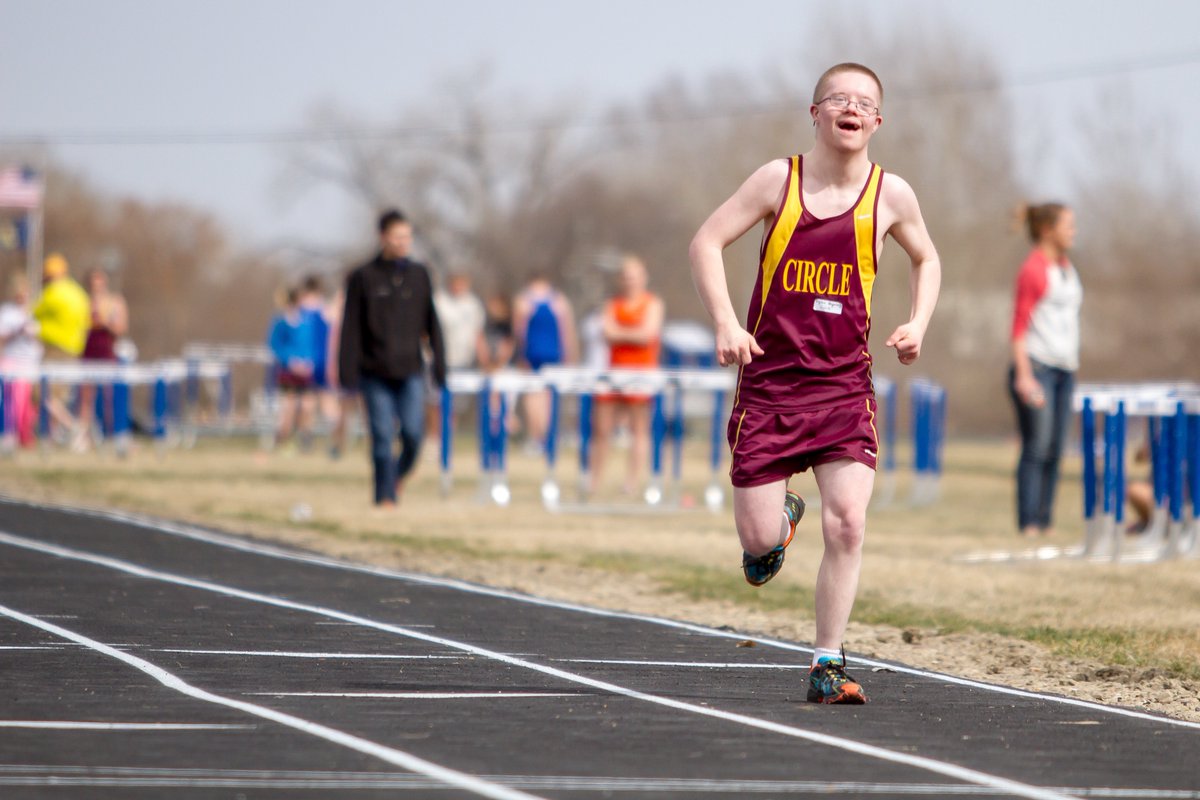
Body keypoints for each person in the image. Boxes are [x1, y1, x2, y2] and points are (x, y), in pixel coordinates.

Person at [688, 63, 940, 705]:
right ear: (816, 111)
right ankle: (779, 522)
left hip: (843, 390)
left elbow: (926, 257)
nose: (851, 109)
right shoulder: (780, 179)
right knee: (758, 547)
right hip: (769, 387)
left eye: (865, 103)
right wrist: (725, 324)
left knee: (849, 524)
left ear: (877, 121)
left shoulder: (892, 195)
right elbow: (706, 242)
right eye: (839, 100)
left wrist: (917, 321)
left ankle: (827, 663)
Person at [338, 209, 446, 506]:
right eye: (397, 236)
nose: (403, 242)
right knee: (382, 436)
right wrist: (346, 372)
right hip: (374, 371)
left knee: (413, 435)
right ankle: (384, 496)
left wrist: (440, 363)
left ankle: (396, 476)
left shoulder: (419, 274)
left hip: (410, 369)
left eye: (407, 237)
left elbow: (431, 322)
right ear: (383, 237)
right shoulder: (364, 277)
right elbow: (350, 327)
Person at [1007, 203, 1081, 538]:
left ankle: (1046, 521)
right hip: (1037, 369)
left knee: (1056, 448)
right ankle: (1029, 524)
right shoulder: (1033, 270)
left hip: (1065, 370)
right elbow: (1019, 327)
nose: (1073, 231)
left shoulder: (1066, 267)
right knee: (1037, 446)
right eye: (1068, 225)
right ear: (1048, 230)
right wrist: (1024, 376)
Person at [588, 255, 664, 496]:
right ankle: (594, 481)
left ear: (644, 277)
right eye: (626, 276)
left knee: (639, 430)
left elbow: (647, 334)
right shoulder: (613, 304)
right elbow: (606, 333)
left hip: (642, 374)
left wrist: (621, 332)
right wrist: (632, 333)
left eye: (635, 275)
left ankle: (631, 483)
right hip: (613, 373)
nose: (630, 281)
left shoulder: (652, 304)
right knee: (601, 429)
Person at [31, 253, 91, 442]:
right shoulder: (79, 293)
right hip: (74, 351)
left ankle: (72, 428)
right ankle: (55, 436)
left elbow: (33, 314)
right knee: (59, 397)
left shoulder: (52, 292)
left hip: (54, 350)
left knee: (41, 394)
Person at [513, 274, 576, 452]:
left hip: (533, 352)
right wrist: (568, 353)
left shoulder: (524, 300)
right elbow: (567, 330)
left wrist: (520, 354)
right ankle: (547, 435)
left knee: (533, 395)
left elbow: (519, 330)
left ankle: (537, 437)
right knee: (548, 396)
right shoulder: (558, 300)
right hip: (553, 352)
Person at [74, 268, 129, 451]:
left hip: (106, 351)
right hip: (88, 351)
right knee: (85, 397)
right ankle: (84, 437)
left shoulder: (115, 302)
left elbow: (121, 328)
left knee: (109, 395)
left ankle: (111, 434)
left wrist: (105, 321)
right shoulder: (83, 302)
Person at [430, 271, 485, 439]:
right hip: (439, 358)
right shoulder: (439, 301)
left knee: (456, 405)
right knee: (435, 401)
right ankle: (433, 436)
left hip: (463, 360)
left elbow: (478, 334)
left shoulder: (473, 305)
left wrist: (484, 359)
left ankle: (447, 437)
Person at [267, 287, 317, 452]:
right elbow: (275, 345)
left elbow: (312, 345)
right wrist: (290, 361)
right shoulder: (280, 322)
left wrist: (309, 362)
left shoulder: (307, 321)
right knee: (288, 407)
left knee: (307, 407)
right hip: (288, 371)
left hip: (306, 371)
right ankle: (282, 440)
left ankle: (305, 440)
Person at [0, 274, 42, 449]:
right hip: (13, 362)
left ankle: (25, 436)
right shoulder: (7, 312)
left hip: (31, 364)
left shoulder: (33, 312)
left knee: (29, 404)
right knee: (14, 403)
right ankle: (11, 435)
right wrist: (18, 331)